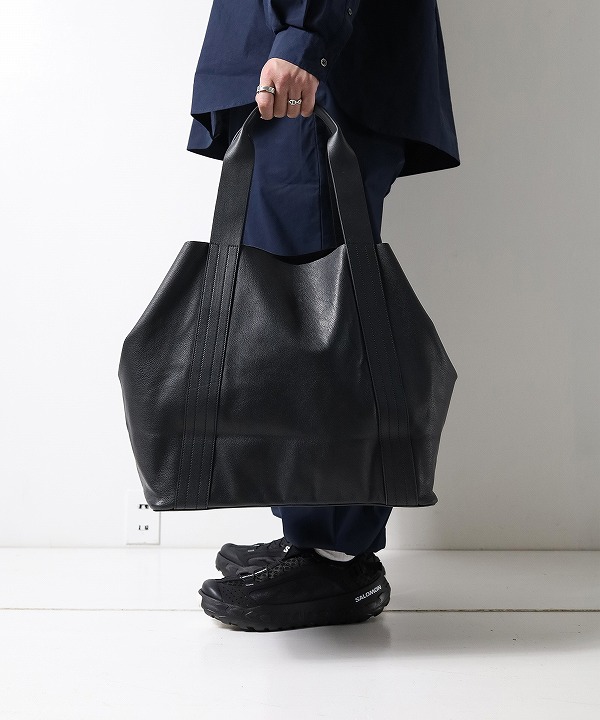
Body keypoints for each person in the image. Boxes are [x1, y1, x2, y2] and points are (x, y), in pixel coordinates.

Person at [187, 0, 460, 631]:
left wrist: (303, 38)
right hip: (299, 63)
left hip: (311, 68)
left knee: (319, 319)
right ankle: (311, 533)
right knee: (295, 319)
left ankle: (338, 553)